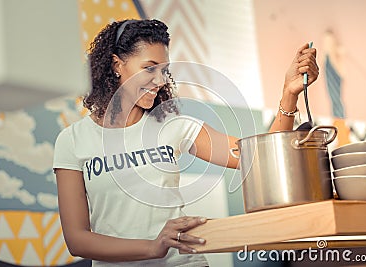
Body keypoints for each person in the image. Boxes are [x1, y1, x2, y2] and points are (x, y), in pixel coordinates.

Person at [53, 19, 318, 266]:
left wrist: (289, 94)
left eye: (163, 70)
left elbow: (260, 157)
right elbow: (77, 239)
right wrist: (152, 247)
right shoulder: (73, 140)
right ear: (115, 64)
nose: (159, 80)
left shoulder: (173, 126)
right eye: (149, 68)